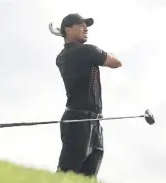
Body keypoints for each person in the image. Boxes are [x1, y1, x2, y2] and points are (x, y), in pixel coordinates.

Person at [50, 13, 122, 177]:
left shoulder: (63, 56)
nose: (86, 29)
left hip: (93, 122)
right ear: (68, 29)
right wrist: (103, 52)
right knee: (66, 174)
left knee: (87, 178)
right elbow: (116, 62)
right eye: (81, 25)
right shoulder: (86, 51)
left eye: (86, 26)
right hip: (79, 120)